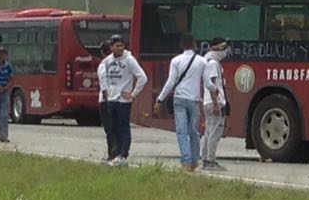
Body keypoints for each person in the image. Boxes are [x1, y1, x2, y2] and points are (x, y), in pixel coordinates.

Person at [157, 33, 207, 171]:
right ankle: (195, 160)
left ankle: (185, 161)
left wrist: (160, 99)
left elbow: (171, 82)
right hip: (195, 100)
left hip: (179, 99)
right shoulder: (202, 61)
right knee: (194, 131)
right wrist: (215, 96)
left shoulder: (176, 61)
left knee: (181, 131)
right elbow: (208, 82)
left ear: (181, 45)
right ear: (195, 44)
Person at [96, 34, 147, 167]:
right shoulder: (107, 61)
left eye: (122, 45)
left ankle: (123, 154)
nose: (120, 48)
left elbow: (142, 77)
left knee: (123, 127)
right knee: (113, 128)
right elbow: (104, 78)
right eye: (117, 46)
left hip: (123, 101)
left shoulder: (129, 60)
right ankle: (116, 154)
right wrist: (106, 95)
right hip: (111, 99)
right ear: (111, 47)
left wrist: (133, 94)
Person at [201, 37, 230, 171]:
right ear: (216, 48)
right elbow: (211, 83)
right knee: (214, 133)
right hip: (213, 102)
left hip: (209, 101)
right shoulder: (212, 63)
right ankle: (210, 161)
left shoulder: (207, 60)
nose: (225, 51)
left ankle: (205, 159)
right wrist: (216, 103)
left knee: (208, 132)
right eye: (223, 47)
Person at [96, 39, 116, 161]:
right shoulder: (119, 62)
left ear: (103, 52)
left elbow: (103, 83)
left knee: (109, 128)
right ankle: (117, 152)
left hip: (106, 100)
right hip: (117, 99)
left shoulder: (103, 64)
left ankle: (112, 153)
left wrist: (107, 99)